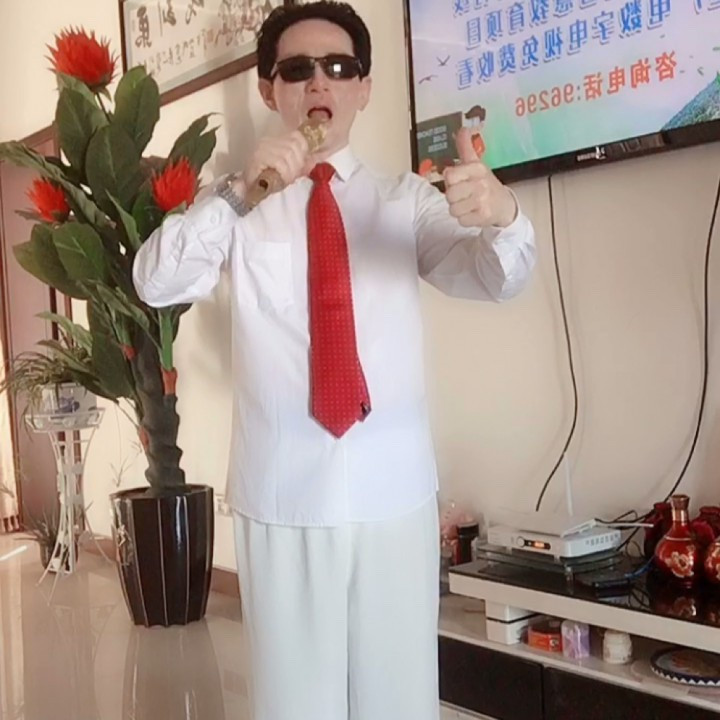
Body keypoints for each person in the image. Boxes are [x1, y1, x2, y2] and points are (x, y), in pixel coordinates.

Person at [133, 2, 536, 718]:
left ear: (363, 87)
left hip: (394, 494)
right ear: (270, 90)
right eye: (298, 68)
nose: (320, 81)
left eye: (340, 66)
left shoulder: (405, 200)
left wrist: (503, 216)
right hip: (283, 496)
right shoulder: (237, 203)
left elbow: (494, 277)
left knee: (399, 701)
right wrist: (238, 192)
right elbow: (156, 282)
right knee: (295, 704)